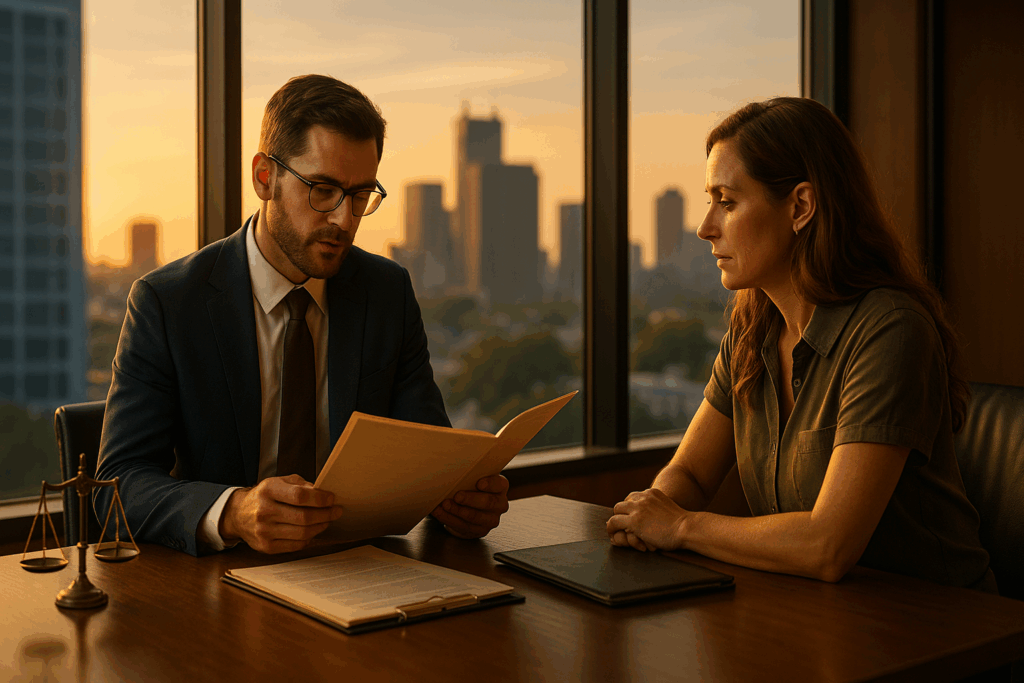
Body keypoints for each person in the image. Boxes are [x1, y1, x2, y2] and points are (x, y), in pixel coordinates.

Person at [95, 75, 509, 556]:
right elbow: (115, 487)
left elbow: (427, 451)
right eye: (324, 190)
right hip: (220, 587)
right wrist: (233, 511)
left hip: (361, 573)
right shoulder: (167, 303)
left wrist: (458, 500)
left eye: (359, 196)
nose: (343, 219)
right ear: (264, 177)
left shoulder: (386, 292)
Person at [607, 97, 996, 592]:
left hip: (943, 634)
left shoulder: (891, 330)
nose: (705, 228)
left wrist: (680, 526)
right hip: (818, 620)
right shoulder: (750, 335)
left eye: (726, 202)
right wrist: (650, 515)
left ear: (801, 207)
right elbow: (690, 473)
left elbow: (827, 545)